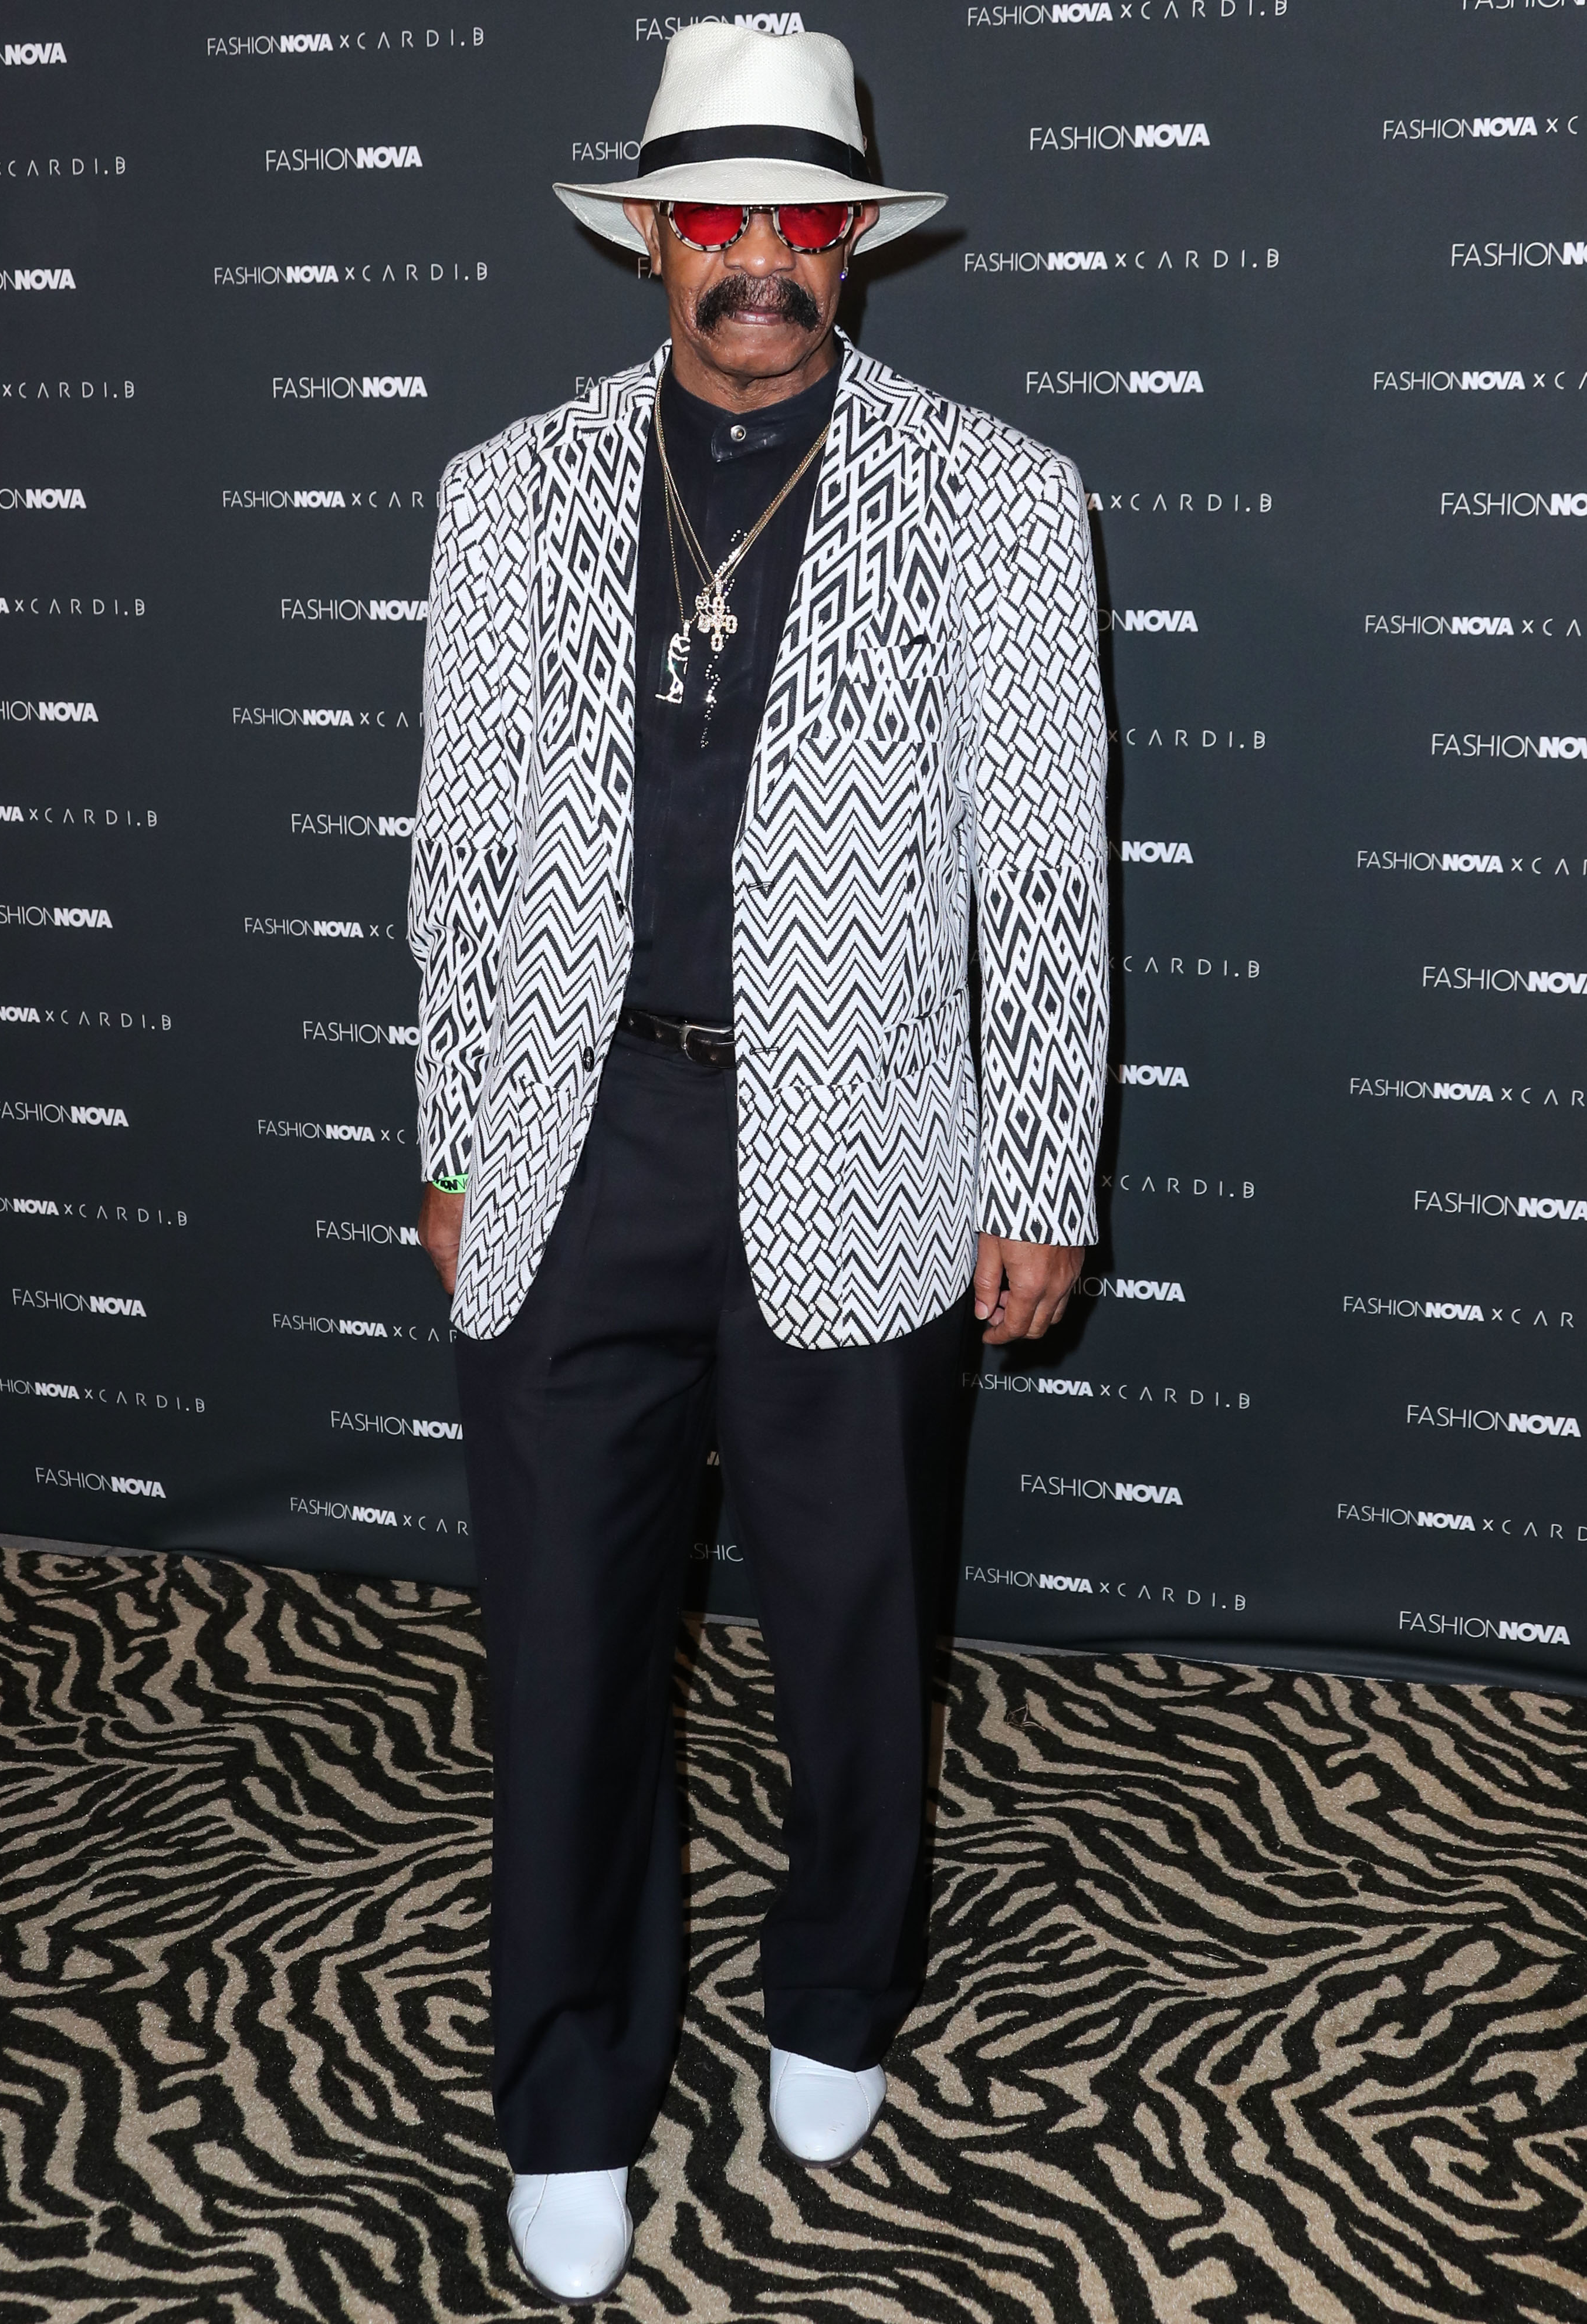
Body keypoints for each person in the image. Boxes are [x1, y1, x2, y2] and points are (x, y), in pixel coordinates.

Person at [408, 22, 1107, 2301]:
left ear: (852, 246)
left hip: (870, 1137)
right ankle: (570, 2085)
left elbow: (1046, 872)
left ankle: (837, 1990)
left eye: (799, 221)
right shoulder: (505, 492)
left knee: (856, 1624)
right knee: (566, 1648)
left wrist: (1041, 1159)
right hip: (573, 1132)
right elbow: (458, 853)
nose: (758, 260)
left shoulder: (999, 497)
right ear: (650, 236)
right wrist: (452, 1127)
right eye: (717, 218)